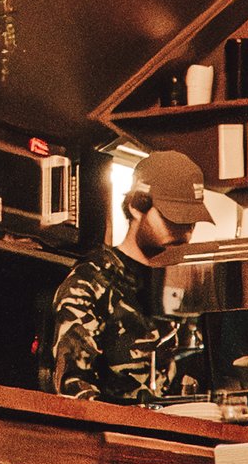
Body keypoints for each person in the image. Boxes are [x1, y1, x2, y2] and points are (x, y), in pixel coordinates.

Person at [46, 147, 211, 405]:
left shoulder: (191, 285)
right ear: (136, 206)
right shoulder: (91, 281)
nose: (184, 233)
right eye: (173, 219)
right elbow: (73, 387)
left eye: (190, 222)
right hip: (115, 439)